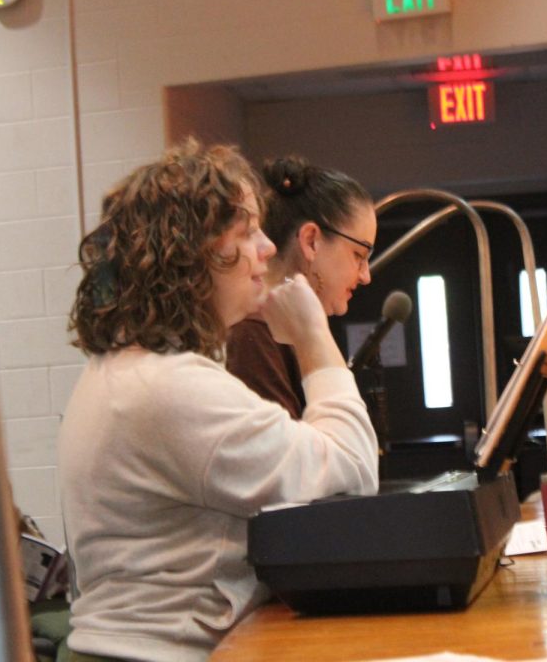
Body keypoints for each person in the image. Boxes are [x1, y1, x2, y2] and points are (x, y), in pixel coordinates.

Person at [59, 142, 378, 662]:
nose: (268, 248)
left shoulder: (134, 369)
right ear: (195, 249)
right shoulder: (170, 386)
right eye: (249, 231)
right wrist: (314, 339)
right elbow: (351, 474)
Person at [226, 156, 376, 418]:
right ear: (311, 241)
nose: (365, 276)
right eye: (358, 255)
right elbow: (332, 458)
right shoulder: (253, 336)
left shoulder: (284, 332)